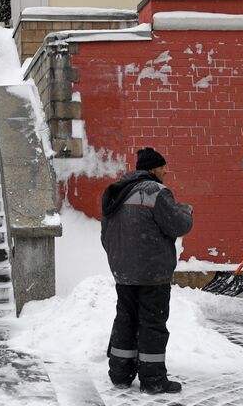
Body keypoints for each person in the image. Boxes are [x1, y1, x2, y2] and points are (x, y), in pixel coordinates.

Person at [101, 147, 193, 394]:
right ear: (153, 169)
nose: (166, 171)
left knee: (126, 320)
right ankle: (153, 380)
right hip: (153, 274)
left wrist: (120, 259)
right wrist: (185, 210)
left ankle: (120, 373)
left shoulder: (116, 192)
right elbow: (179, 225)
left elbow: (106, 235)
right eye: (163, 167)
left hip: (124, 272)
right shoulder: (157, 192)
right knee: (152, 323)